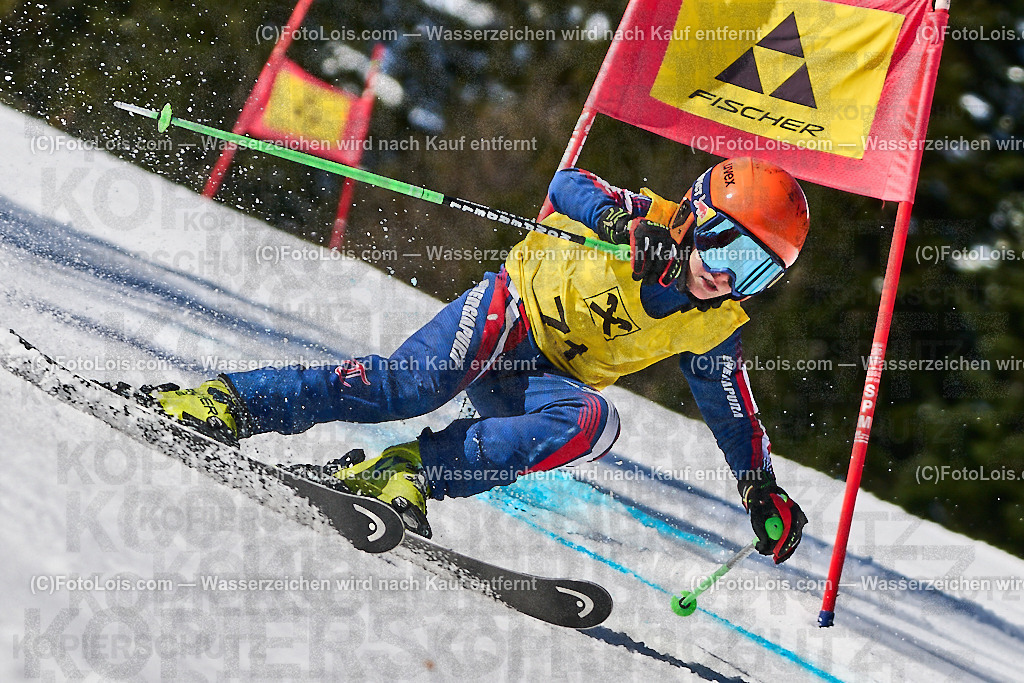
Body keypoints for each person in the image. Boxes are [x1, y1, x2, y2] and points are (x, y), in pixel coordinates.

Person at [149, 156, 809, 563]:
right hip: (512, 310)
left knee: (595, 425)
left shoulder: (716, 322)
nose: (727, 278)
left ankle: (406, 472)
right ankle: (229, 401)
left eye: (755, 272)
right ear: (697, 216)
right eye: (726, 250)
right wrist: (620, 226)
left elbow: (730, 410)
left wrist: (759, 487)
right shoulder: (652, 217)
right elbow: (568, 185)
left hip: (546, 382)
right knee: (406, 389)